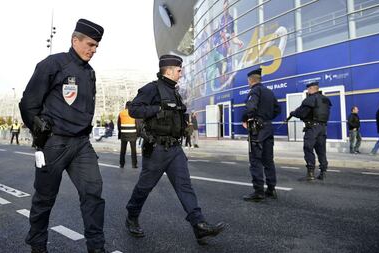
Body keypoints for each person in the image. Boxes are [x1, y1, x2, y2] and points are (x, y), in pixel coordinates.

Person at [19, 19, 107, 253]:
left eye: (96, 46)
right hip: (54, 143)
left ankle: (96, 248)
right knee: (44, 199)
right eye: (89, 44)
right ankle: (37, 245)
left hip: (81, 145)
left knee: (93, 194)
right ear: (74, 40)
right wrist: (39, 130)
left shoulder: (90, 72)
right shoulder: (53, 63)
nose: (93, 49)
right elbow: (28, 103)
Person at [125, 54, 226, 245]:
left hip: (174, 149)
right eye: (179, 70)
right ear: (169, 70)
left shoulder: (175, 92)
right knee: (145, 187)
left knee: (185, 187)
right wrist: (157, 110)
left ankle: (199, 226)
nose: (181, 73)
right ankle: (131, 216)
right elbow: (134, 109)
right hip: (156, 149)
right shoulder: (152, 88)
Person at [241, 68, 281, 202]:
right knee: (268, 160)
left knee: (255, 160)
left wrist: (246, 119)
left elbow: (250, 108)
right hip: (268, 128)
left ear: (250, 80)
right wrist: (266, 118)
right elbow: (277, 109)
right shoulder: (269, 92)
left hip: (257, 130)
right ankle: (271, 189)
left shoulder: (255, 91)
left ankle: (258, 191)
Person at [290, 82, 332, 181]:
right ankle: (323, 172)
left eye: (308, 89)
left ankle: (310, 173)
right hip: (322, 127)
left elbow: (302, 113)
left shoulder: (310, 99)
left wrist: (293, 113)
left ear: (311, 89)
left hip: (312, 128)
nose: (308, 91)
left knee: (308, 148)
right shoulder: (325, 99)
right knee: (321, 150)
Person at [117, 102, 138, 168]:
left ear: (125, 106)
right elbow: (137, 124)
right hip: (133, 134)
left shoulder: (121, 113)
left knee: (123, 150)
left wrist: (120, 132)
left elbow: (118, 125)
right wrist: (138, 133)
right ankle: (134, 164)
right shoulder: (134, 113)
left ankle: (121, 164)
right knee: (133, 150)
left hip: (124, 134)